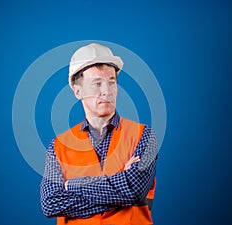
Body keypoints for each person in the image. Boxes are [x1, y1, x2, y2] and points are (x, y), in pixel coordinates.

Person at [40, 43, 158, 225]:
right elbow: (51, 203)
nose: (107, 91)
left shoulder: (144, 136)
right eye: (97, 84)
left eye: (112, 82)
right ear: (78, 91)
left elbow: (134, 190)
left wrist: (72, 185)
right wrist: (120, 183)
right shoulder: (58, 146)